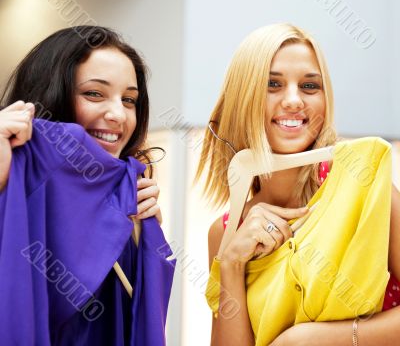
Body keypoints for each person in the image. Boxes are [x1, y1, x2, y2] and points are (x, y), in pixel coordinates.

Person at [195, 23, 400, 345]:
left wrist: (311, 340)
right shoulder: (224, 232)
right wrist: (232, 264)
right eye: (272, 84)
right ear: (242, 97)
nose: (293, 100)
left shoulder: (363, 183)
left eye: (309, 86)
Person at [0, 26, 171, 344]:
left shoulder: (131, 194)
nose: (119, 114)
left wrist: (142, 240)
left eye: (130, 100)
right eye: (94, 93)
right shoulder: (12, 168)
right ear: (53, 94)